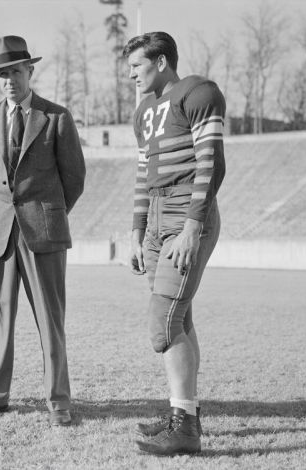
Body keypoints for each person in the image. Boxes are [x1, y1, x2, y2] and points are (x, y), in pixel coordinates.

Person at [0, 36, 86, 426]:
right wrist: (1, 217)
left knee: (50, 319)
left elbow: (74, 178)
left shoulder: (56, 117)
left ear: (29, 72)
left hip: (43, 231)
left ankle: (59, 402)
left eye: (15, 72)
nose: (9, 80)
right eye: (1, 74)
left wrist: (48, 213)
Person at [123, 32, 226, 455]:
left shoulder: (198, 91)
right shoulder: (143, 111)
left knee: (162, 325)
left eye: (136, 66)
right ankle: (184, 414)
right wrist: (135, 229)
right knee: (179, 319)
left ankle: (184, 430)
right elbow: (144, 172)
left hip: (186, 214)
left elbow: (211, 163)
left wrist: (191, 227)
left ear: (161, 61)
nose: (131, 75)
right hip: (155, 222)